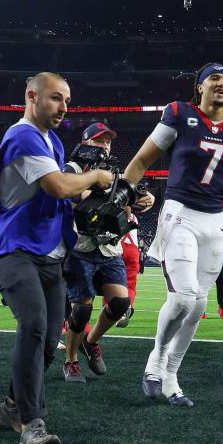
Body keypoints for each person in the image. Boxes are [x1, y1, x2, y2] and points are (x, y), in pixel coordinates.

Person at [0, 72, 115, 444]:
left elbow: (68, 195)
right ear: (31, 96)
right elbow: (57, 186)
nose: (64, 108)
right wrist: (98, 176)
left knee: (49, 340)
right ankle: (31, 427)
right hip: (12, 248)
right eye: (56, 98)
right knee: (35, 325)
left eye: (67, 100)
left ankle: (11, 406)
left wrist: (121, 200)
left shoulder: (51, 140)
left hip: (48, 254)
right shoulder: (22, 135)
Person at [123, 62, 223, 407]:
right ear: (200, 87)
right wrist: (125, 196)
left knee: (200, 302)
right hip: (180, 214)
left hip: (215, 222)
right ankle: (156, 360)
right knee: (183, 297)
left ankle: (172, 374)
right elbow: (143, 159)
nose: (221, 84)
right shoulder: (178, 114)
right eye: (214, 79)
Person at [62, 122, 154, 383]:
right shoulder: (74, 168)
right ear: (86, 142)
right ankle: (71, 362)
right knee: (80, 312)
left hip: (109, 247)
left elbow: (133, 195)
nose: (105, 145)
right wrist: (95, 188)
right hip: (79, 248)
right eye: (100, 140)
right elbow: (66, 191)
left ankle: (90, 342)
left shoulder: (115, 173)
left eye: (108, 141)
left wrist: (144, 200)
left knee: (121, 303)